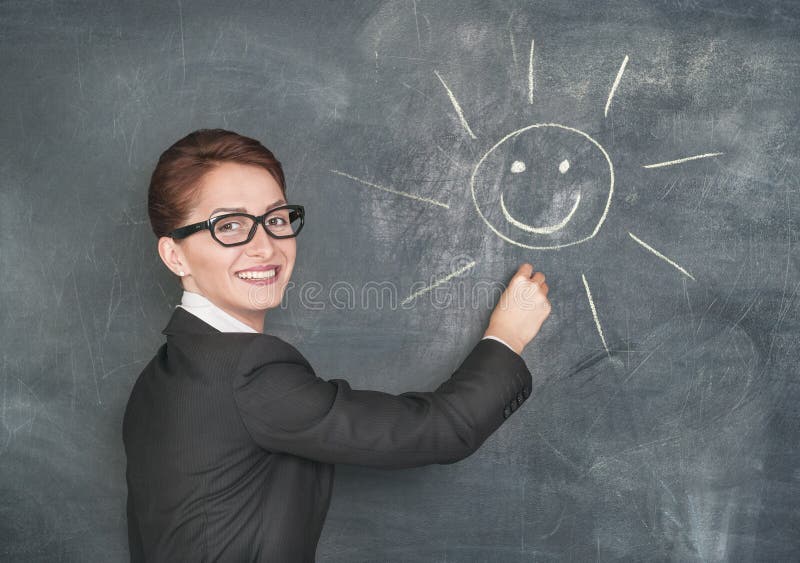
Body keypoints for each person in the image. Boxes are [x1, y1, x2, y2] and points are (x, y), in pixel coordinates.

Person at [122, 129, 551, 562]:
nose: (264, 246)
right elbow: (438, 431)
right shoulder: (245, 371)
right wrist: (508, 334)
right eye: (229, 225)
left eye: (275, 220)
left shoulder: (157, 379)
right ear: (175, 255)